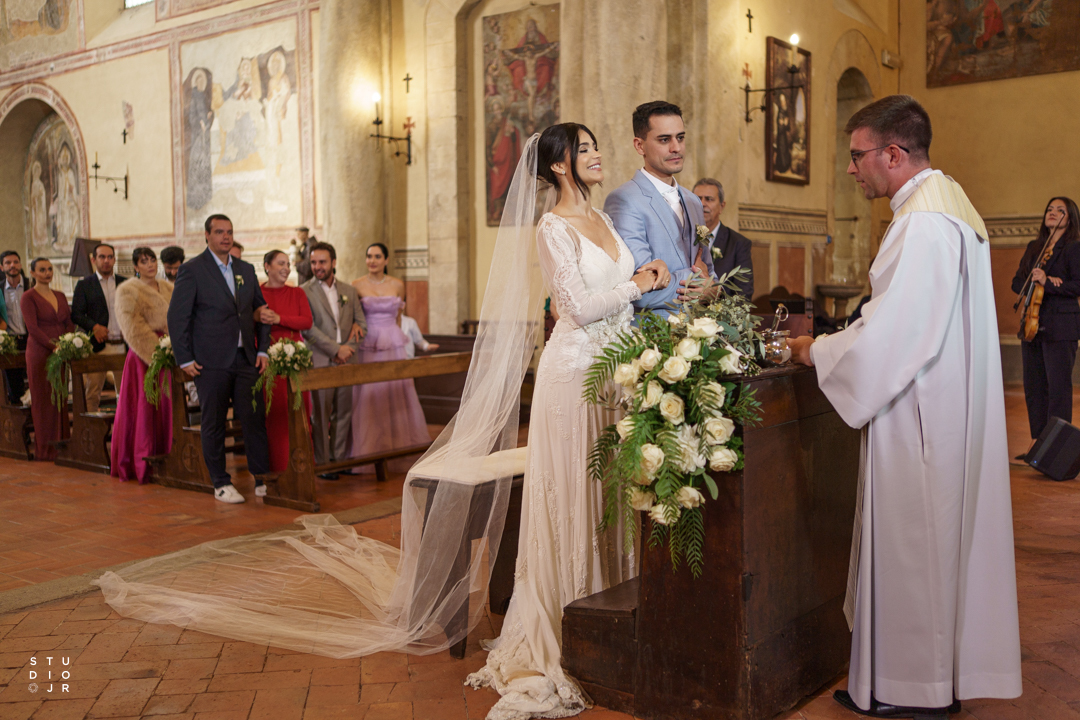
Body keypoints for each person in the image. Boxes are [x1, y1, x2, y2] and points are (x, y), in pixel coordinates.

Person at [787, 95, 1021, 717]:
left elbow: (892, 337)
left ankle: (912, 690)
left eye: (857, 155)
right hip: (943, 404)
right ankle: (909, 680)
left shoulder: (921, 223)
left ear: (893, 154)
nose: (850, 168)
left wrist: (816, 351)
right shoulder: (950, 204)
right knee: (932, 551)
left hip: (917, 415)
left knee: (915, 552)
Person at [466, 124, 665, 719]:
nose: (597, 154)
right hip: (575, 375)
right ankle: (571, 620)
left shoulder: (602, 218)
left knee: (614, 490)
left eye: (595, 146)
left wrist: (645, 281)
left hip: (617, 371)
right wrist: (637, 283)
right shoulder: (551, 227)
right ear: (558, 166)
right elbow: (573, 309)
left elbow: (618, 291)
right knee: (578, 492)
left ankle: (615, 620)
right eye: (584, 149)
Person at [167, 214, 273, 504]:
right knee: (214, 422)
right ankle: (221, 483)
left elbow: (262, 312)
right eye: (219, 232)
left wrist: (262, 349)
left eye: (229, 232)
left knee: (253, 419)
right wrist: (184, 358)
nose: (225, 237)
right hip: (210, 360)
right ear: (207, 235)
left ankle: (262, 478)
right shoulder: (192, 270)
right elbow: (177, 317)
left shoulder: (244, 269)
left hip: (245, 358)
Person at [605, 100, 715, 317]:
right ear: (640, 146)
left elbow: (710, 274)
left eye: (680, 138)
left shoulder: (693, 201)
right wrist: (698, 283)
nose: (676, 148)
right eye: (664, 140)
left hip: (700, 326)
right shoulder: (624, 199)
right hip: (652, 331)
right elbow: (642, 289)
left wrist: (713, 289)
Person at [349, 242, 431, 473]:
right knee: (370, 392)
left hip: (393, 342)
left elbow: (398, 317)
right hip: (369, 342)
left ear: (386, 260)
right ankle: (367, 450)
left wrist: (398, 340)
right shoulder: (356, 284)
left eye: (377, 256)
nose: (372, 261)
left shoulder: (397, 284)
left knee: (396, 390)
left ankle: (399, 447)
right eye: (369, 256)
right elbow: (354, 316)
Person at [1012, 197, 1080, 456]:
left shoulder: (1074, 248)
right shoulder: (1035, 247)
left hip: (1061, 326)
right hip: (1031, 325)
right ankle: (1037, 445)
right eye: (1050, 209)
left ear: (1070, 219)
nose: (1053, 213)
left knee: (1058, 389)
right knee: (1034, 388)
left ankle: (1056, 453)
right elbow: (1017, 282)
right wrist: (1033, 280)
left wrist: (1049, 283)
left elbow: (1078, 285)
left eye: (1060, 211)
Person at [301, 242, 364, 479]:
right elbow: (308, 328)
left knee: (343, 412)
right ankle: (323, 463)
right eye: (313, 262)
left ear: (333, 263)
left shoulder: (349, 290)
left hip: (347, 361)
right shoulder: (304, 291)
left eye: (322, 262)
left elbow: (362, 324)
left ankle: (339, 459)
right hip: (320, 360)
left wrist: (348, 350)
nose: (317, 266)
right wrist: (336, 350)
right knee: (321, 414)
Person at [111, 248, 174, 482]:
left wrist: (174, 347)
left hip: (169, 350)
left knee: (166, 405)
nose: (150, 264)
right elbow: (131, 325)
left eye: (152, 260)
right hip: (143, 355)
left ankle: (168, 455)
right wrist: (157, 353)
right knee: (144, 406)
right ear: (136, 267)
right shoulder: (127, 290)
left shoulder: (168, 288)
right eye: (144, 261)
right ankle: (141, 461)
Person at [261, 249, 314, 473]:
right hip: (269, 361)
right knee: (276, 415)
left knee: (300, 412)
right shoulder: (258, 293)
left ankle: (303, 465)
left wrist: (279, 318)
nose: (286, 268)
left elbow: (307, 321)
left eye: (287, 264)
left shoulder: (297, 293)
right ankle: (279, 466)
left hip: (296, 360)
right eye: (280, 264)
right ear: (267, 266)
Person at [21, 257, 75, 461]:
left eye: (50, 269)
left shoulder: (60, 295)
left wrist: (68, 342)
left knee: (60, 398)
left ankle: (62, 445)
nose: (47, 273)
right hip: (40, 352)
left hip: (60, 352)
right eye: (42, 270)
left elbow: (68, 321)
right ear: (33, 273)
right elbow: (32, 328)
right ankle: (45, 449)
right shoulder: (28, 297)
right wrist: (54, 346)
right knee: (44, 400)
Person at [71, 244, 128, 412]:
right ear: (94, 260)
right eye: (102, 257)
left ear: (114, 260)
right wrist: (94, 327)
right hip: (98, 346)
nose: (106, 261)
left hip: (122, 345)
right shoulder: (84, 285)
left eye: (110, 257)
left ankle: (123, 426)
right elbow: (76, 314)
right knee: (93, 392)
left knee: (125, 393)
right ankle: (90, 426)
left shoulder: (125, 283)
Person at [692, 178, 754, 298]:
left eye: (709, 199)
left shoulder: (738, 244)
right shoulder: (682, 239)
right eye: (698, 199)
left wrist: (715, 295)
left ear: (722, 206)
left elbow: (743, 294)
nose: (702, 204)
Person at [1, 251, 30, 405]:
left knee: (36, 380)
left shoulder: (32, 284)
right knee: (14, 386)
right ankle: (19, 417)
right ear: (1, 267)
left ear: (20, 264)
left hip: (31, 338)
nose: (12, 265)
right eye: (8, 263)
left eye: (16, 262)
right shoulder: (0, 289)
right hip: (10, 342)